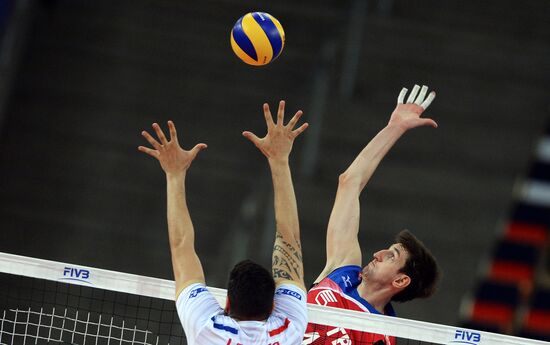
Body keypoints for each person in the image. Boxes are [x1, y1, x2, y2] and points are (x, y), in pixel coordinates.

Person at [138, 100, 309, 345]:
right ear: (273, 305)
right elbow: (289, 238)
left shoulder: (205, 328)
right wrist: (280, 160)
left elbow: (181, 247)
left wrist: (174, 174)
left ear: (227, 302)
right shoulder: (289, 329)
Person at [303, 85, 441, 345]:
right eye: (387, 249)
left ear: (401, 279)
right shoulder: (343, 272)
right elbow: (349, 183)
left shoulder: (380, 338)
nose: (378, 253)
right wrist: (395, 127)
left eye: (392, 256)